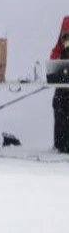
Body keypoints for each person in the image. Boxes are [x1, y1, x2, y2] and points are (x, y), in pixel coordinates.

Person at [50, 17, 69, 153]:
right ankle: (61, 144)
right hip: (62, 88)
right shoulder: (59, 47)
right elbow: (53, 59)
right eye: (65, 34)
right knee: (58, 103)